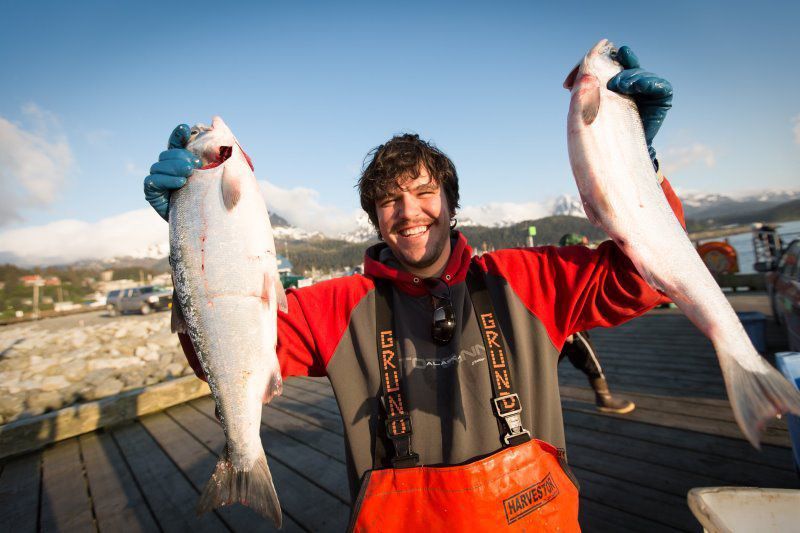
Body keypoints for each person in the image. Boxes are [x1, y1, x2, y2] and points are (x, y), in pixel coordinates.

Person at [144, 46, 680, 531]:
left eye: (425, 192)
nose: (409, 213)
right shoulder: (337, 308)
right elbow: (226, 341)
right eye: (389, 201)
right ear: (375, 219)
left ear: (451, 202)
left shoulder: (523, 279)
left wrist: (639, 173)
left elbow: (643, 279)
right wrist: (198, 247)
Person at [557, 234, 636, 414]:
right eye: (580, 246)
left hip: (568, 325)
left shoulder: (568, 263)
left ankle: (531, 400)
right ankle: (604, 398)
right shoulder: (570, 265)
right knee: (589, 360)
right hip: (569, 326)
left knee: (547, 365)